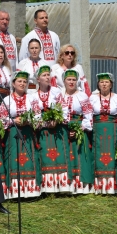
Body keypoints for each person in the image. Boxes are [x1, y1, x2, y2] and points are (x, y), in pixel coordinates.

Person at [0, 71, 41, 199]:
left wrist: (30, 121)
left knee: (29, 157)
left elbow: (38, 116)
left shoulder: (32, 98)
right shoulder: (7, 100)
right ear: (13, 83)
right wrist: (13, 121)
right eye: (19, 81)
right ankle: (15, 191)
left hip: (27, 132)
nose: (22, 84)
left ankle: (31, 191)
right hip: (13, 133)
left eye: (25, 81)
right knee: (13, 158)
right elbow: (1, 119)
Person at [29, 65, 69, 193]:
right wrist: (45, 123)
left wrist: (57, 120)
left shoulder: (56, 92)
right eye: (44, 75)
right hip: (43, 131)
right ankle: (47, 187)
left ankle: (61, 186)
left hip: (57, 129)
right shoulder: (33, 96)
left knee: (59, 155)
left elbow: (63, 108)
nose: (47, 77)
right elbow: (34, 115)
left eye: (48, 75)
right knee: (45, 156)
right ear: (38, 79)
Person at [89, 73, 117, 194]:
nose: (104, 84)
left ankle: (113, 187)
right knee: (97, 156)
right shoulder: (92, 98)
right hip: (97, 132)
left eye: (107, 82)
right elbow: (89, 117)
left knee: (112, 156)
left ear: (111, 84)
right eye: (101, 82)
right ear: (98, 84)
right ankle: (99, 187)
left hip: (112, 132)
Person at [63, 69, 94, 194]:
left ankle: (82, 185)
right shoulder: (60, 95)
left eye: (74, 80)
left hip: (79, 126)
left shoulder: (82, 96)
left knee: (80, 155)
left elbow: (88, 115)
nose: (71, 82)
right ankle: (68, 185)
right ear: (64, 81)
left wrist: (80, 129)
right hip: (63, 128)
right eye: (69, 79)